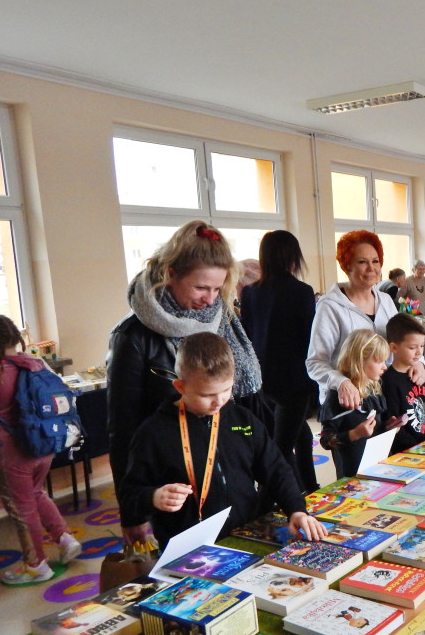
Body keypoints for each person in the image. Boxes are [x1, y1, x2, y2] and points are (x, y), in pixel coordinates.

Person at [107, 220, 264, 550]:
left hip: (228, 475)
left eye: (218, 289)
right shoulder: (133, 337)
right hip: (173, 483)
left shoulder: (222, 320)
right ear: (171, 274)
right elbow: (122, 431)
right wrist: (132, 512)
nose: (210, 300)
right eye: (200, 288)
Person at [118, 333, 326, 550]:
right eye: (207, 395)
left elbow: (276, 470)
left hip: (245, 534)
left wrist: (296, 510)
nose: (218, 402)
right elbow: (129, 494)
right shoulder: (153, 433)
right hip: (187, 546)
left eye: (226, 390)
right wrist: (154, 496)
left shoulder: (243, 419)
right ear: (180, 387)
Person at [0, 314, 82, 585]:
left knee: (21, 508)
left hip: (11, 454)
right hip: (44, 446)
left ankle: (35, 565)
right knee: (36, 493)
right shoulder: (37, 364)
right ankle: (64, 538)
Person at [307, 230, 425, 410]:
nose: (371, 268)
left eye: (375, 261)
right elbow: (315, 362)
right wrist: (341, 382)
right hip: (350, 403)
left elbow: (403, 340)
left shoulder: (385, 301)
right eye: (362, 262)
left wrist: (419, 362)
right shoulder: (330, 306)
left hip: (385, 397)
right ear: (347, 266)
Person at [241, 230, 319, 492]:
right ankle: (287, 498)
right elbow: (309, 339)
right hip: (295, 380)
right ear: (292, 257)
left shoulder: (250, 293)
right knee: (282, 446)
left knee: (301, 434)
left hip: (265, 379)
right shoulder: (302, 291)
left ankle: (310, 485)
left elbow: (248, 336)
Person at [318, 329, 402, 477]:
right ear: (360, 360)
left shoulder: (374, 390)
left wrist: (388, 427)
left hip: (379, 467)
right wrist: (355, 434)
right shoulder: (338, 398)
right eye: (378, 361)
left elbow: (375, 430)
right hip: (353, 475)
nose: (384, 366)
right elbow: (326, 440)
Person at [381, 313, 425, 453]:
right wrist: (419, 447)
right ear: (394, 348)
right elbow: (395, 425)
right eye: (412, 348)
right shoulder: (389, 381)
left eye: (422, 346)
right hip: (408, 451)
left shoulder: (421, 374)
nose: (419, 352)